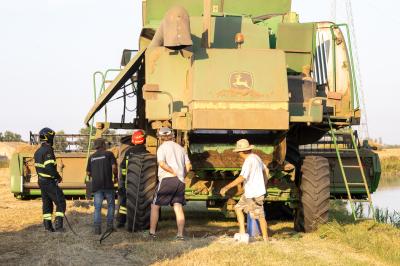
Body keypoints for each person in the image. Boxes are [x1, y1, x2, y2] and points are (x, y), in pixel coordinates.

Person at [220, 139, 269, 242]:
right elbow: (266, 170)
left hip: (254, 194)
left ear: (242, 152)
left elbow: (242, 177)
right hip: (249, 193)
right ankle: (242, 232)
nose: (238, 154)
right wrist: (264, 183)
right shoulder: (257, 157)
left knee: (260, 216)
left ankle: (266, 239)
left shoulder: (249, 161)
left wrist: (226, 187)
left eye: (238, 152)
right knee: (238, 208)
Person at [149, 127, 191, 240]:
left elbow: (162, 164)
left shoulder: (162, 148)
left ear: (160, 137)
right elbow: (188, 166)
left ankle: (152, 232)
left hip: (167, 179)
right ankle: (180, 234)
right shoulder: (181, 148)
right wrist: (181, 175)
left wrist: (173, 172)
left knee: (155, 206)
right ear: (172, 136)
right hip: (180, 181)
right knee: (178, 206)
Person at [34, 127, 66, 232]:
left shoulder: (38, 151)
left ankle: (48, 227)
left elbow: (39, 167)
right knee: (60, 202)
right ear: (49, 138)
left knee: (47, 203)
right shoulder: (48, 150)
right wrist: (57, 176)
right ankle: (59, 226)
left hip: (41, 181)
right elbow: (49, 168)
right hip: (48, 182)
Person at [116, 130, 149, 228]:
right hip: (144, 185)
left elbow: (122, 168)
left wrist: (122, 182)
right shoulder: (147, 154)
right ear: (144, 141)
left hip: (128, 183)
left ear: (133, 141)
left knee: (123, 202)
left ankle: (121, 221)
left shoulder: (128, 153)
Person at [86, 138, 118, 235]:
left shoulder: (91, 157)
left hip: (97, 186)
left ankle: (97, 229)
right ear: (103, 145)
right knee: (111, 205)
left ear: (96, 146)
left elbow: (88, 172)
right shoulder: (109, 154)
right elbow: (114, 167)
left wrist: (94, 176)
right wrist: (116, 176)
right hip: (108, 185)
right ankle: (109, 227)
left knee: (97, 207)